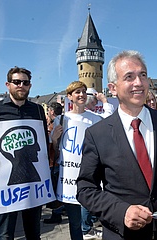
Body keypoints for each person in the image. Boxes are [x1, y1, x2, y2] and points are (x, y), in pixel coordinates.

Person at [76, 50, 157, 240]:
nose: (139, 83)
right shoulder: (97, 134)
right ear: (113, 88)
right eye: (129, 77)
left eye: (143, 75)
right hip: (122, 234)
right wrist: (120, 212)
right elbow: (85, 188)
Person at [0, 66, 49, 239]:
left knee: (34, 233)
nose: (21, 86)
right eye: (16, 82)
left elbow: (42, 145)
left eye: (25, 82)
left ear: (30, 86)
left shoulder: (38, 110)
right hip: (5, 184)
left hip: (34, 183)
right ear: (8, 85)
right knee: (5, 234)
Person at [51, 81, 103, 240]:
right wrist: (54, 139)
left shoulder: (96, 119)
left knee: (92, 216)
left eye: (83, 92)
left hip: (90, 177)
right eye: (77, 92)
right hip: (68, 179)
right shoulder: (61, 119)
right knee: (74, 223)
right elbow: (56, 150)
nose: (81, 95)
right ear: (69, 97)